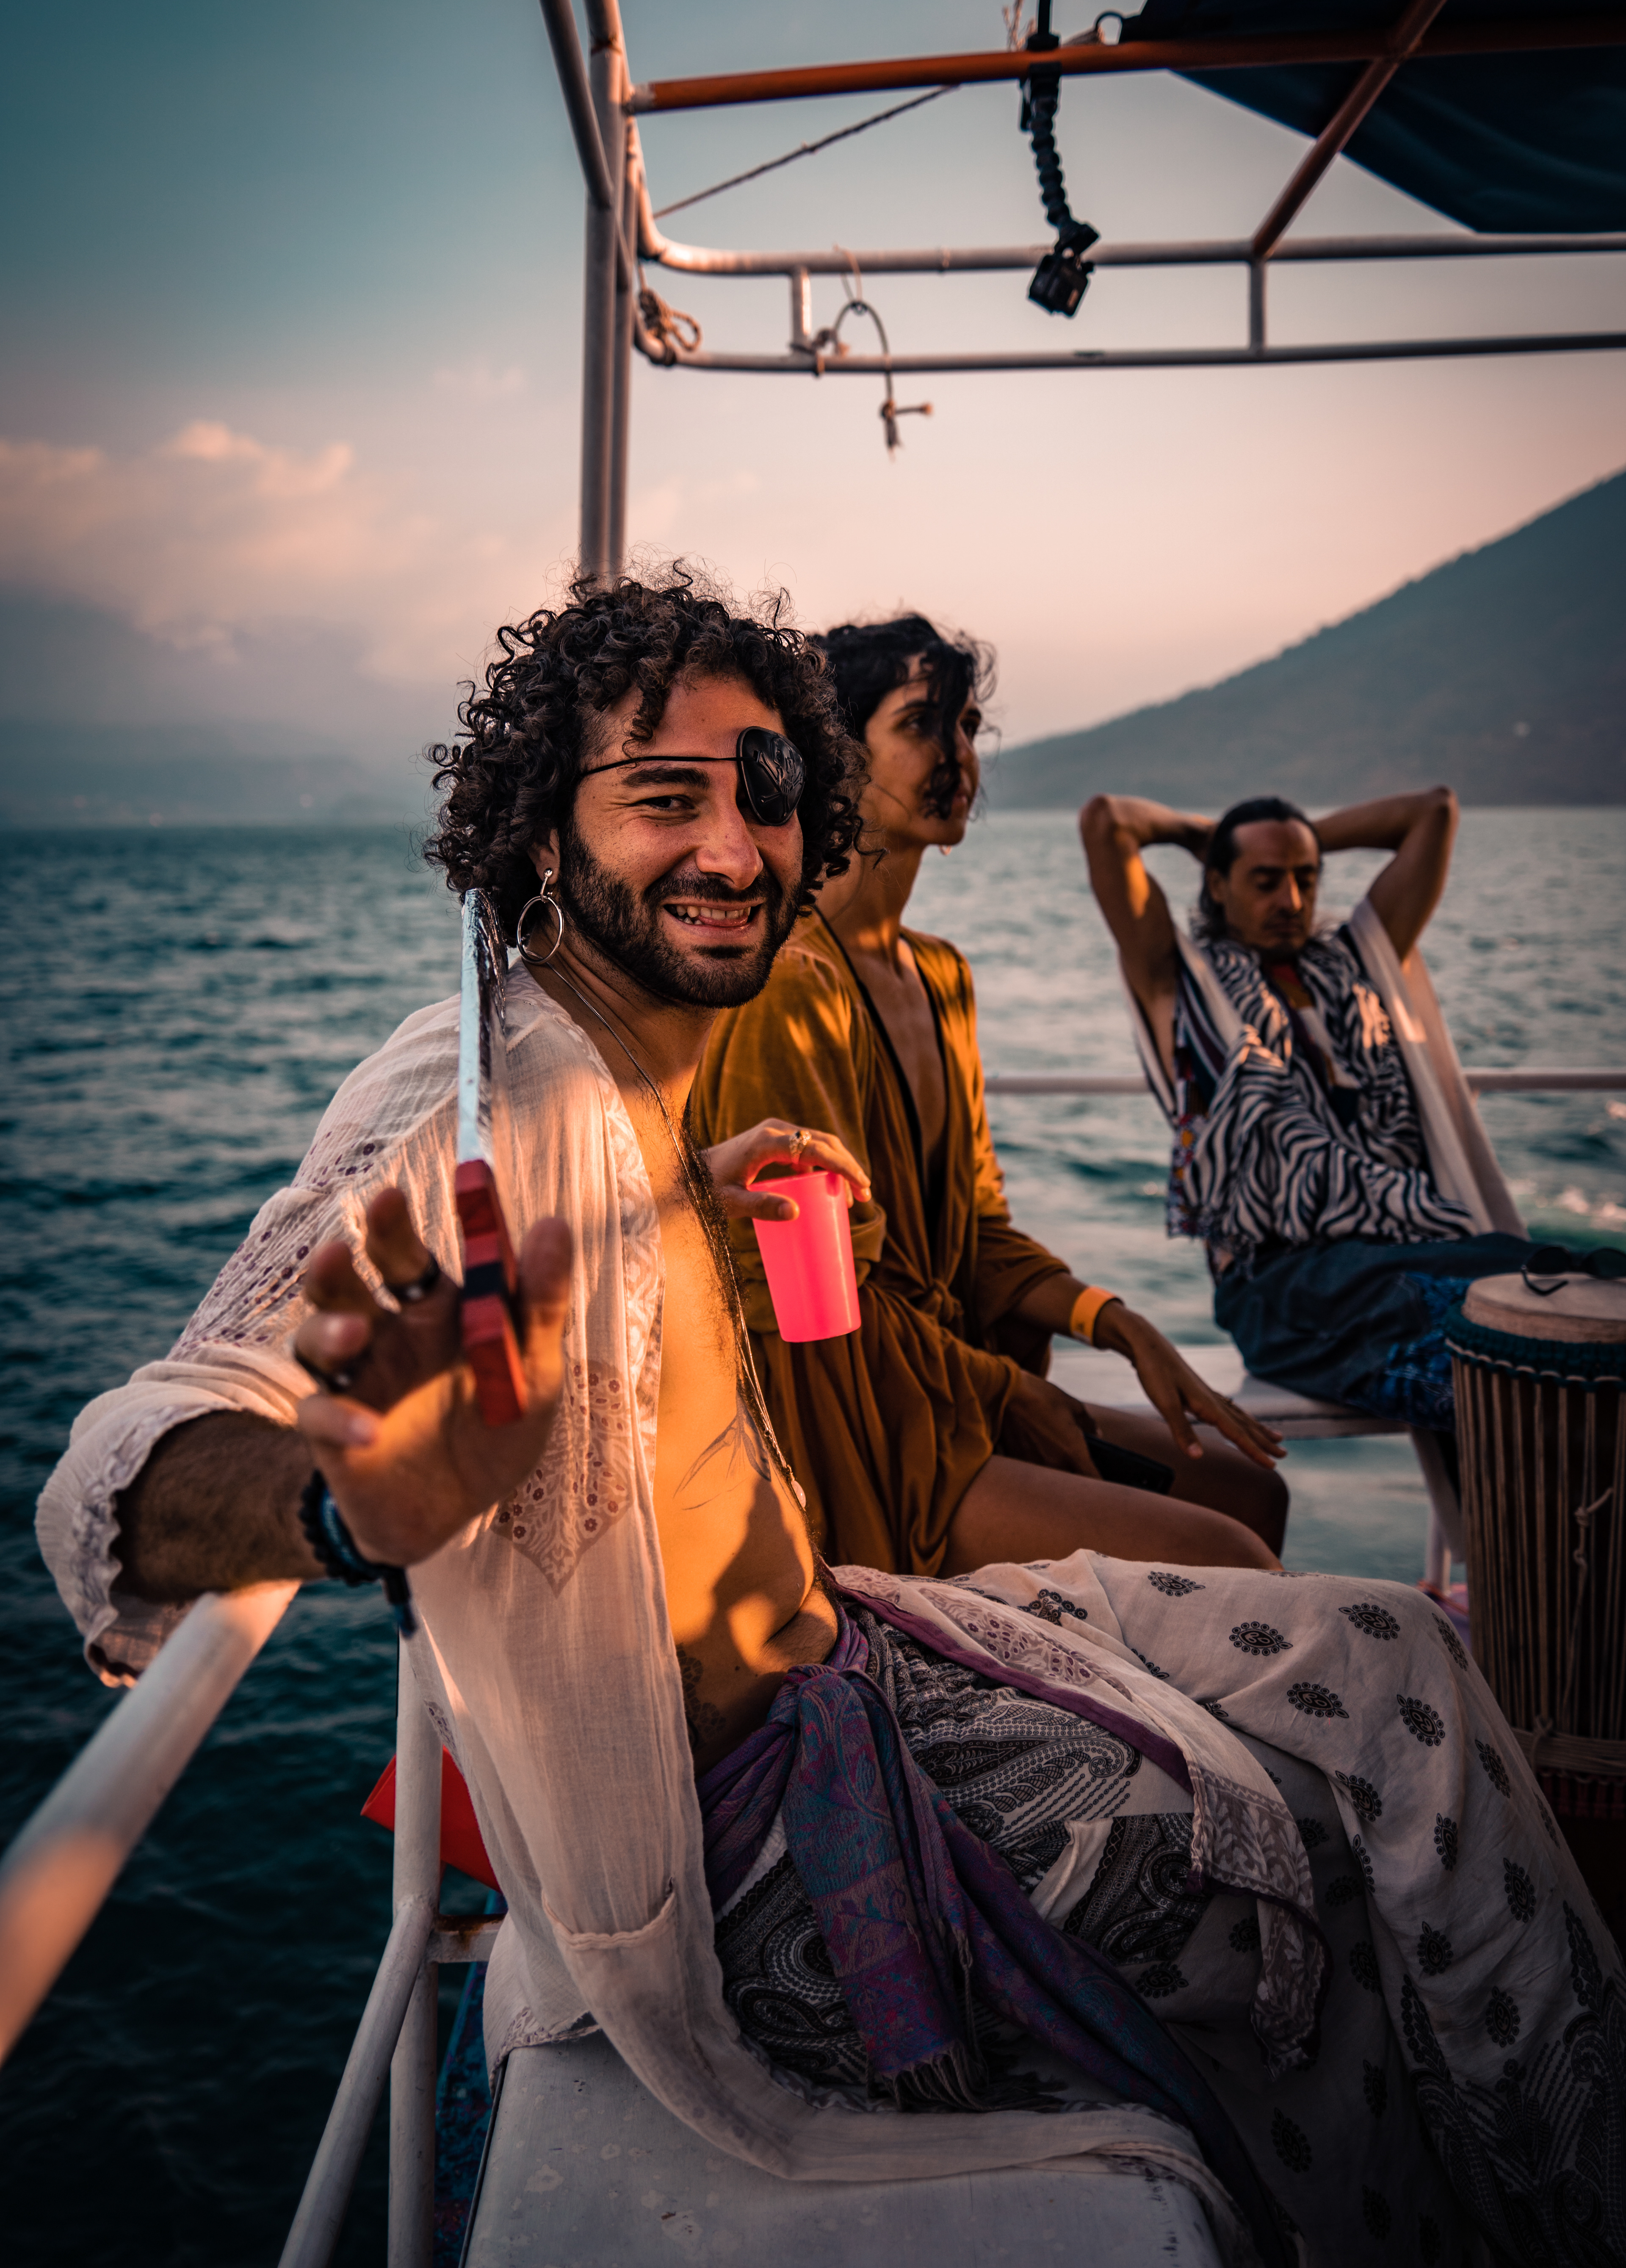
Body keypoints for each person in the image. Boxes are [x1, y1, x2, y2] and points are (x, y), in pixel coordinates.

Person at [37, 578, 1622, 2266]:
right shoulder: (477, 1094)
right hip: (760, 1836)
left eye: (768, 789)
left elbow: (661, 1276)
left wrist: (706, 1211)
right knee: (1312, 1887)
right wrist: (357, 1495)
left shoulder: (639, 1078)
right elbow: (122, 1473)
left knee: (1401, 1654)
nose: (737, 847)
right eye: (665, 796)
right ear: (536, 837)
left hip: (857, 1641)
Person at [693, 615, 1287, 1579]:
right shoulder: (794, 985)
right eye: (923, 724)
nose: (959, 755)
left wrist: (1116, 1322)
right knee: (1230, 1551)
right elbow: (821, 1300)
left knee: (1255, 1490)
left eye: (969, 726)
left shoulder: (941, 976)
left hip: (951, 1382)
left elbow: (978, 1231)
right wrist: (1009, 1391)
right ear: (834, 754)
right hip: (860, 1423)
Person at [1079, 790, 1539, 1432]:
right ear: (1217, 884)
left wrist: (1300, 836)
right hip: (1279, 1285)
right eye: (1265, 881)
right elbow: (1107, 822)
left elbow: (1433, 813)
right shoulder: (1179, 980)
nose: (1291, 902)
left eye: (1306, 879)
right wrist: (1206, 834)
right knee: (1506, 1321)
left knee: (1552, 1286)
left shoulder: (1358, 961)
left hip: (1401, 1249)